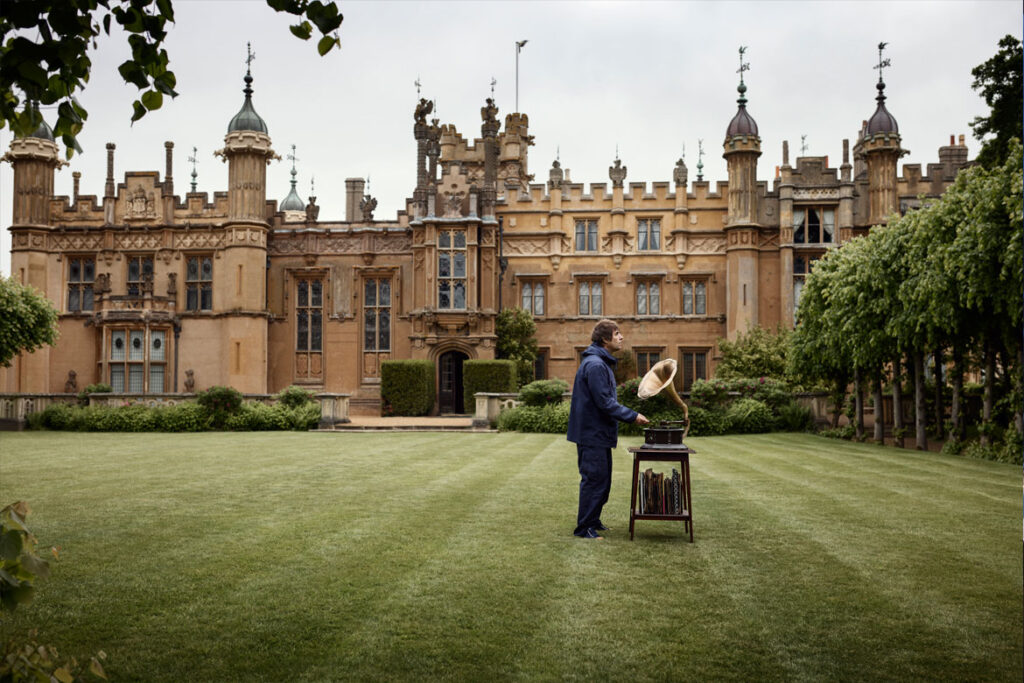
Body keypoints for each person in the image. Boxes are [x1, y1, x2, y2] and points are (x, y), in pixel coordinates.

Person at [567, 319, 648, 539]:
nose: (621, 337)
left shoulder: (600, 363)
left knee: (602, 481)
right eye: (617, 333)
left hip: (597, 433)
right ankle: (584, 529)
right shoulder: (595, 365)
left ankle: (593, 520)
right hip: (591, 434)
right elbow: (604, 402)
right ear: (605, 339)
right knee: (594, 480)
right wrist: (633, 416)